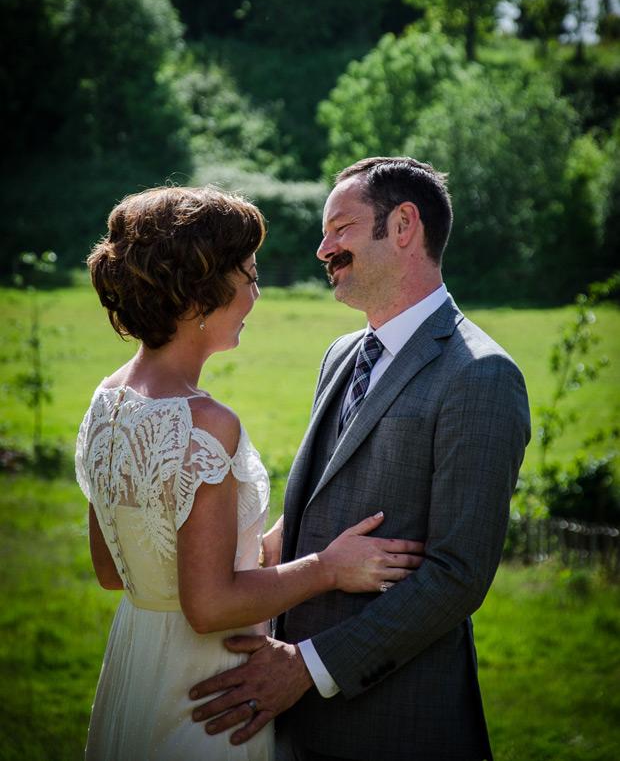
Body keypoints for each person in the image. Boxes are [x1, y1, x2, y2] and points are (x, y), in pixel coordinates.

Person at [189, 157, 531, 761]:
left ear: (403, 226)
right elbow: (323, 503)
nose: (323, 249)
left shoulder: (481, 376)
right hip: (287, 720)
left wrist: (307, 667)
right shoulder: (341, 354)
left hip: (395, 725)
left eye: (340, 228)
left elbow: (457, 577)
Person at [76, 184, 425, 761]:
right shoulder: (206, 424)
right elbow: (209, 605)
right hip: (207, 689)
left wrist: (263, 544)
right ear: (200, 292)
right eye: (249, 276)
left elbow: (117, 570)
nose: (255, 295)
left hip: (138, 668)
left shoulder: (107, 402)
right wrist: (327, 569)